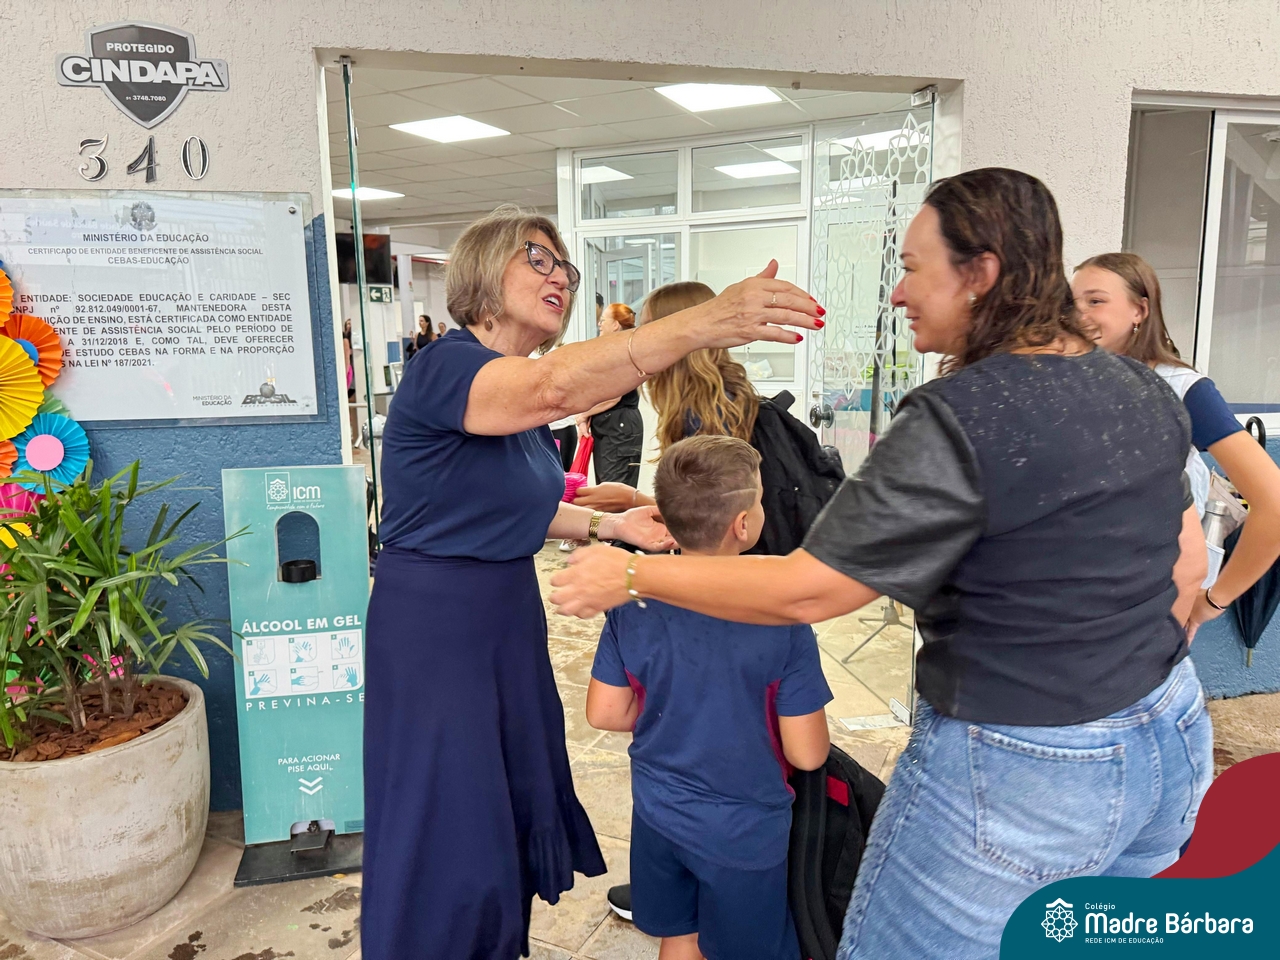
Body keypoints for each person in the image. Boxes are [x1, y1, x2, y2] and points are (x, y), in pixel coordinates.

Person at [550, 169, 1214, 960]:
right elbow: (1187, 566)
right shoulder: (1139, 387)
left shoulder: (965, 412)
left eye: (911, 267)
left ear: (981, 273)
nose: (897, 293)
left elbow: (810, 589)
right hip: (1170, 733)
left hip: (1020, 762)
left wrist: (631, 574)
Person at [362, 205, 822, 960]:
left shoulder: (509, 399)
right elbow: (555, 389)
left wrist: (609, 526)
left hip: (501, 616)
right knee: (450, 816)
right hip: (437, 630)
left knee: (499, 804)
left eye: (564, 266)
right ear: (482, 272)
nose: (560, 277)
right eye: (536, 258)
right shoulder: (447, 367)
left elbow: (508, 504)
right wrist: (706, 322)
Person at [586, 436, 831, 960]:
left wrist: (677, 710)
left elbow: (604, 711)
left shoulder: (632, 602)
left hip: (657, 811)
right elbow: (807, 753)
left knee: (679, 934)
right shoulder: (781, 620)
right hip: (744, 831)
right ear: (742, 524)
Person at [1073, 252, 1280, 629]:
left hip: (1150, 609)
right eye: (1073, 303)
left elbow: (1274, 505)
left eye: (1095, 301)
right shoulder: (1071, 385)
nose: (1078, 314)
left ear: (1139, 310)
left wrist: (1213, 601)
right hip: (1076, 601)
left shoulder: (1183, 389)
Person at [575, 281, 843, 556]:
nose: (642, 338)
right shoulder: (724, 402)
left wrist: (632, 499)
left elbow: (711, 522)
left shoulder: (707, 418)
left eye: (649, 328)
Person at [578, 303, 645, 487]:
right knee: (605, 487)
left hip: (620, 428)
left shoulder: (624, 352)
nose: (599, 324)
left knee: (613, 489)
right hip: (610, 425)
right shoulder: (612, 351)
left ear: (615, 325)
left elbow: (613, 396)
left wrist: (583, 415)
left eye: (603, 320)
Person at [342, 318, 358, 448]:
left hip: (347, 372)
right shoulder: (345, 337)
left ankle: (351, 434)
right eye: (347, 323)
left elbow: (347, 360)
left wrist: (344, 374)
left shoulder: (346, 340)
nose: (349, 325)